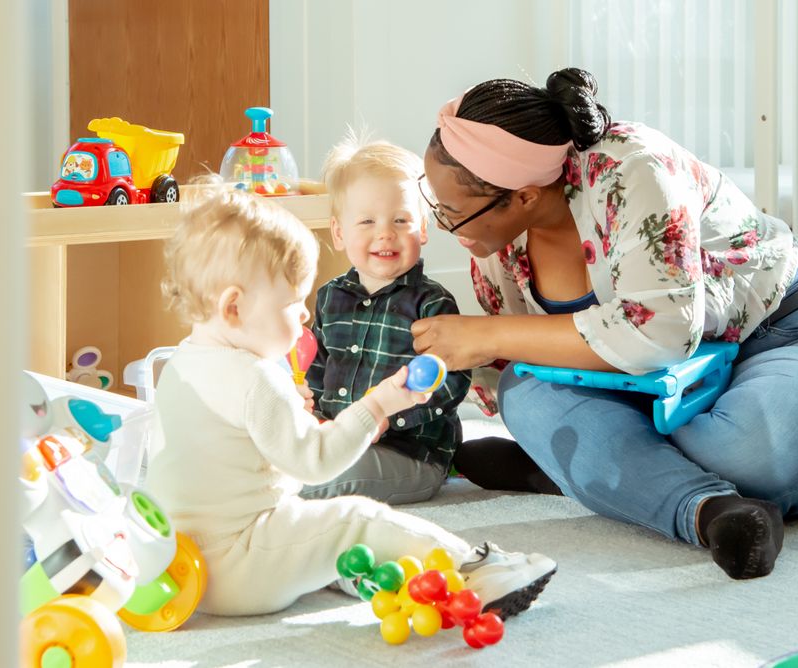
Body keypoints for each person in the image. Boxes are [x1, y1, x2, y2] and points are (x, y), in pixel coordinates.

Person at [412, 67, 798, 580]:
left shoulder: (634, 168)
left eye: (451, 213)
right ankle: (706, 511)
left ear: (522, 195)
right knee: (524, 395)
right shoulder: (494, 240)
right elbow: (515, 358)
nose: (444, 222)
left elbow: (661, 332)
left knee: (744, 448)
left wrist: (485, 335)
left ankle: (604, 471)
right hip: (658, 385)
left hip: (786, 336)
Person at [147, 186, 556, 616]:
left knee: (311, 523)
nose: (305, 315)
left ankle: (356, 571)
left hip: (185, 570)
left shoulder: (180, 363)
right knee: (356, 519)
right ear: (234, 307)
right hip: (239, 566)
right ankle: (476, 570)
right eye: (291, 303)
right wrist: (377, 405)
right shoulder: (254, 377)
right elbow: (315, 463)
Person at [300, 135, 471, 504]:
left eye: (400, 220)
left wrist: (387, 417)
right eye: (366, 221)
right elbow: (317, 366)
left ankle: (280, 493)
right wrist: (310, 411)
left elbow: (451, 382)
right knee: (274, 454)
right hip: (337, 440)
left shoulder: (432, 303)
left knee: (334, 478)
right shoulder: (331, 297)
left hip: (408, 453)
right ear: (339, 233)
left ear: (422, 229)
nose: (384, 233)